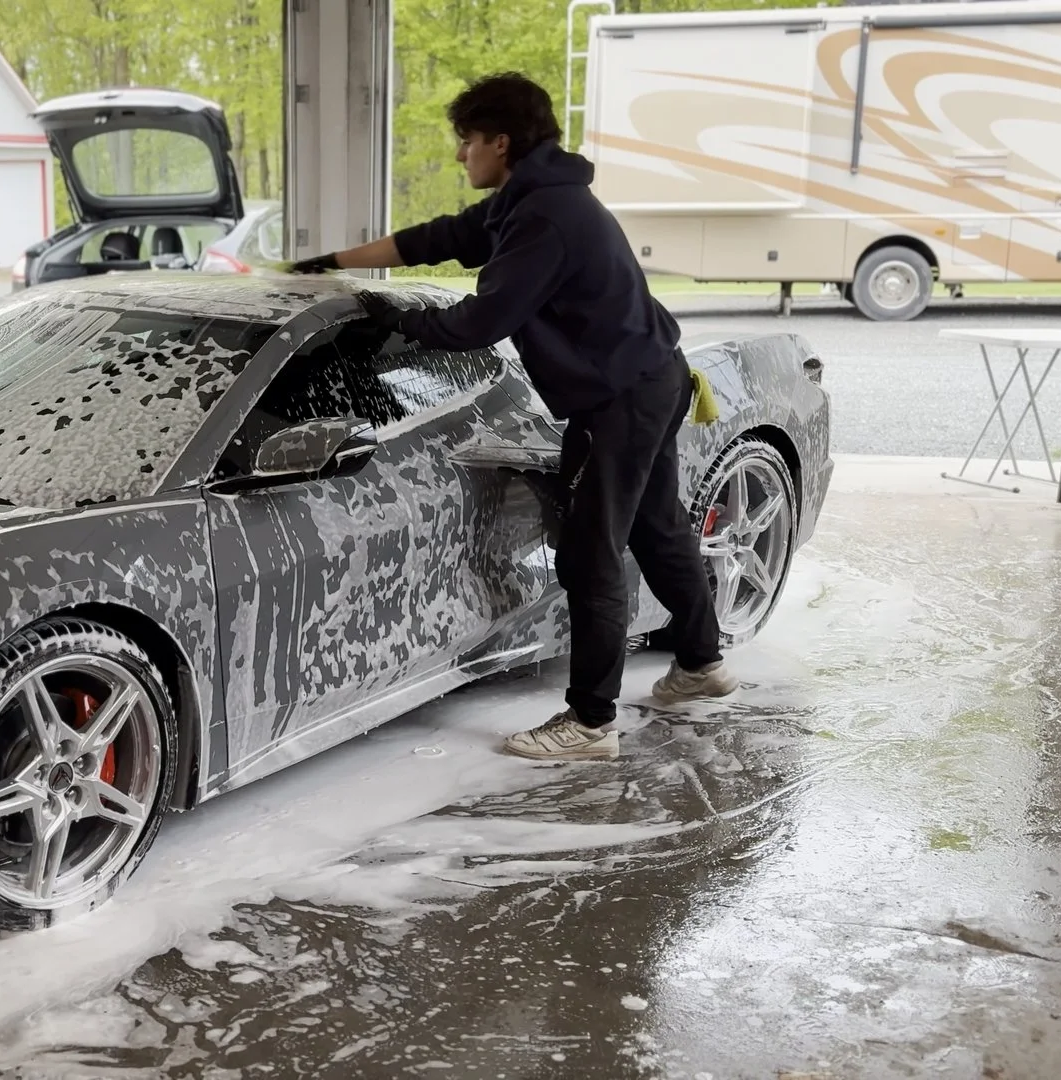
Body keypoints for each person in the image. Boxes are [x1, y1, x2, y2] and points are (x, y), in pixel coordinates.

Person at [291, 72, 737, 762]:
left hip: (620, 396)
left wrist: (399, 319)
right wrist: (327, 266)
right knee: (656, 528)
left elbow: (482, 321)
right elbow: (435, 238)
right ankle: (703, 664)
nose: (460, 155)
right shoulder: (531, 199)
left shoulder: (544, 218)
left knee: (590, 554)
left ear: (500, 142)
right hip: (648, 379)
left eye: (466, 142)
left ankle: (589, 725)